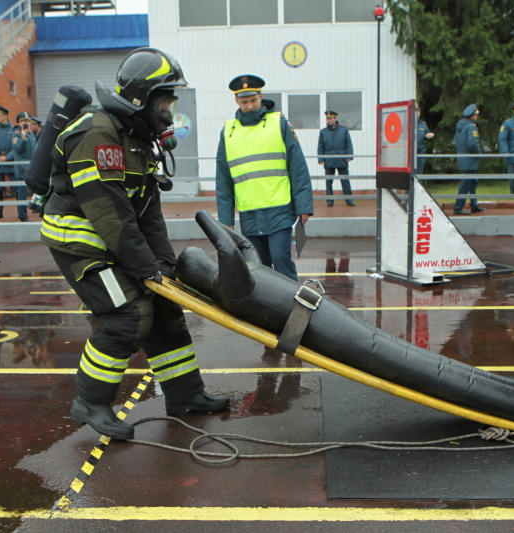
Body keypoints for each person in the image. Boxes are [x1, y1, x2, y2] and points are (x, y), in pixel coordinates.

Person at [40, 47, 229, 441]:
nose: (169, 112)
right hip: (81, 242)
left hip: (114, 237)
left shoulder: (137, 137)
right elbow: (109, 214)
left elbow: (147, 211)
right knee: (127, 313)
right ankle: (90, 401)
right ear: (142, 99)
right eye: (165, 102)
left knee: (164, 303)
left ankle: (185, 394)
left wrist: (163, 265)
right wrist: (145, 270)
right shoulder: (98, 133)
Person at [216, 74, 314, 282]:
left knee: (281, 259)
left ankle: (293, 306)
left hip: (279, 208)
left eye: (253, 100)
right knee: (258, 267)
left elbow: (297, 165)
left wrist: (303, 204)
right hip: (249, 213)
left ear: (261, 97)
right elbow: (223, 179)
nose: (250, 106)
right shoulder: (228, 132)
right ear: (236, 101)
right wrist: (225, 220)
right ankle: (267, 310)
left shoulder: (278, 123)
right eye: (244, 102)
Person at [318, 110, 354, 207]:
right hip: (328, 159)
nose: (328, 120)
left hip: (342, 158)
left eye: (330, 118)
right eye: (327, 118)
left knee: (345, 180)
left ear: (335, 119)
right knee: (329, 181)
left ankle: (349, 200)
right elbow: (320, 146)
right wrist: (321, 159)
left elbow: (349, 143)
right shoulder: (323, 132)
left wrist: (349, 155)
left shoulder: (344, 130)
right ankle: (329, 201)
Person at [453, 104, 484, 216]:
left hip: (463, 158)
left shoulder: (460, 126)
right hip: (470, 159)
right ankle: (458, 207)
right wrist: (479, 154)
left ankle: (474, 204)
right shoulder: (471, 127)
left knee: (472, 182)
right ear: (473, 115)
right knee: (466, 183)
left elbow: (455, 142)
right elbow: (472, 144)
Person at [11, 111, 37, 221]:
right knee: (22, 194)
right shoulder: (16, 136)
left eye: (27, 121)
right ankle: (23, 215)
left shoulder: (32, 135)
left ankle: (37, 209)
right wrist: (23, 137)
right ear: (19, 123)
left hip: (32, 168)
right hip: (21, 170)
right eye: (23, 121)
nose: (25, 123)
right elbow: (18, 149)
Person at [415, 105, 435, 174]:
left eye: (418, 111)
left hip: (420, 154)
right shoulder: (406, 123)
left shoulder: (422, 124)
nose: (417, 113)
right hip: (409, 155)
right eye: (415, 111)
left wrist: (429, 136)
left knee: (419, 173)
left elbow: (427, 133)